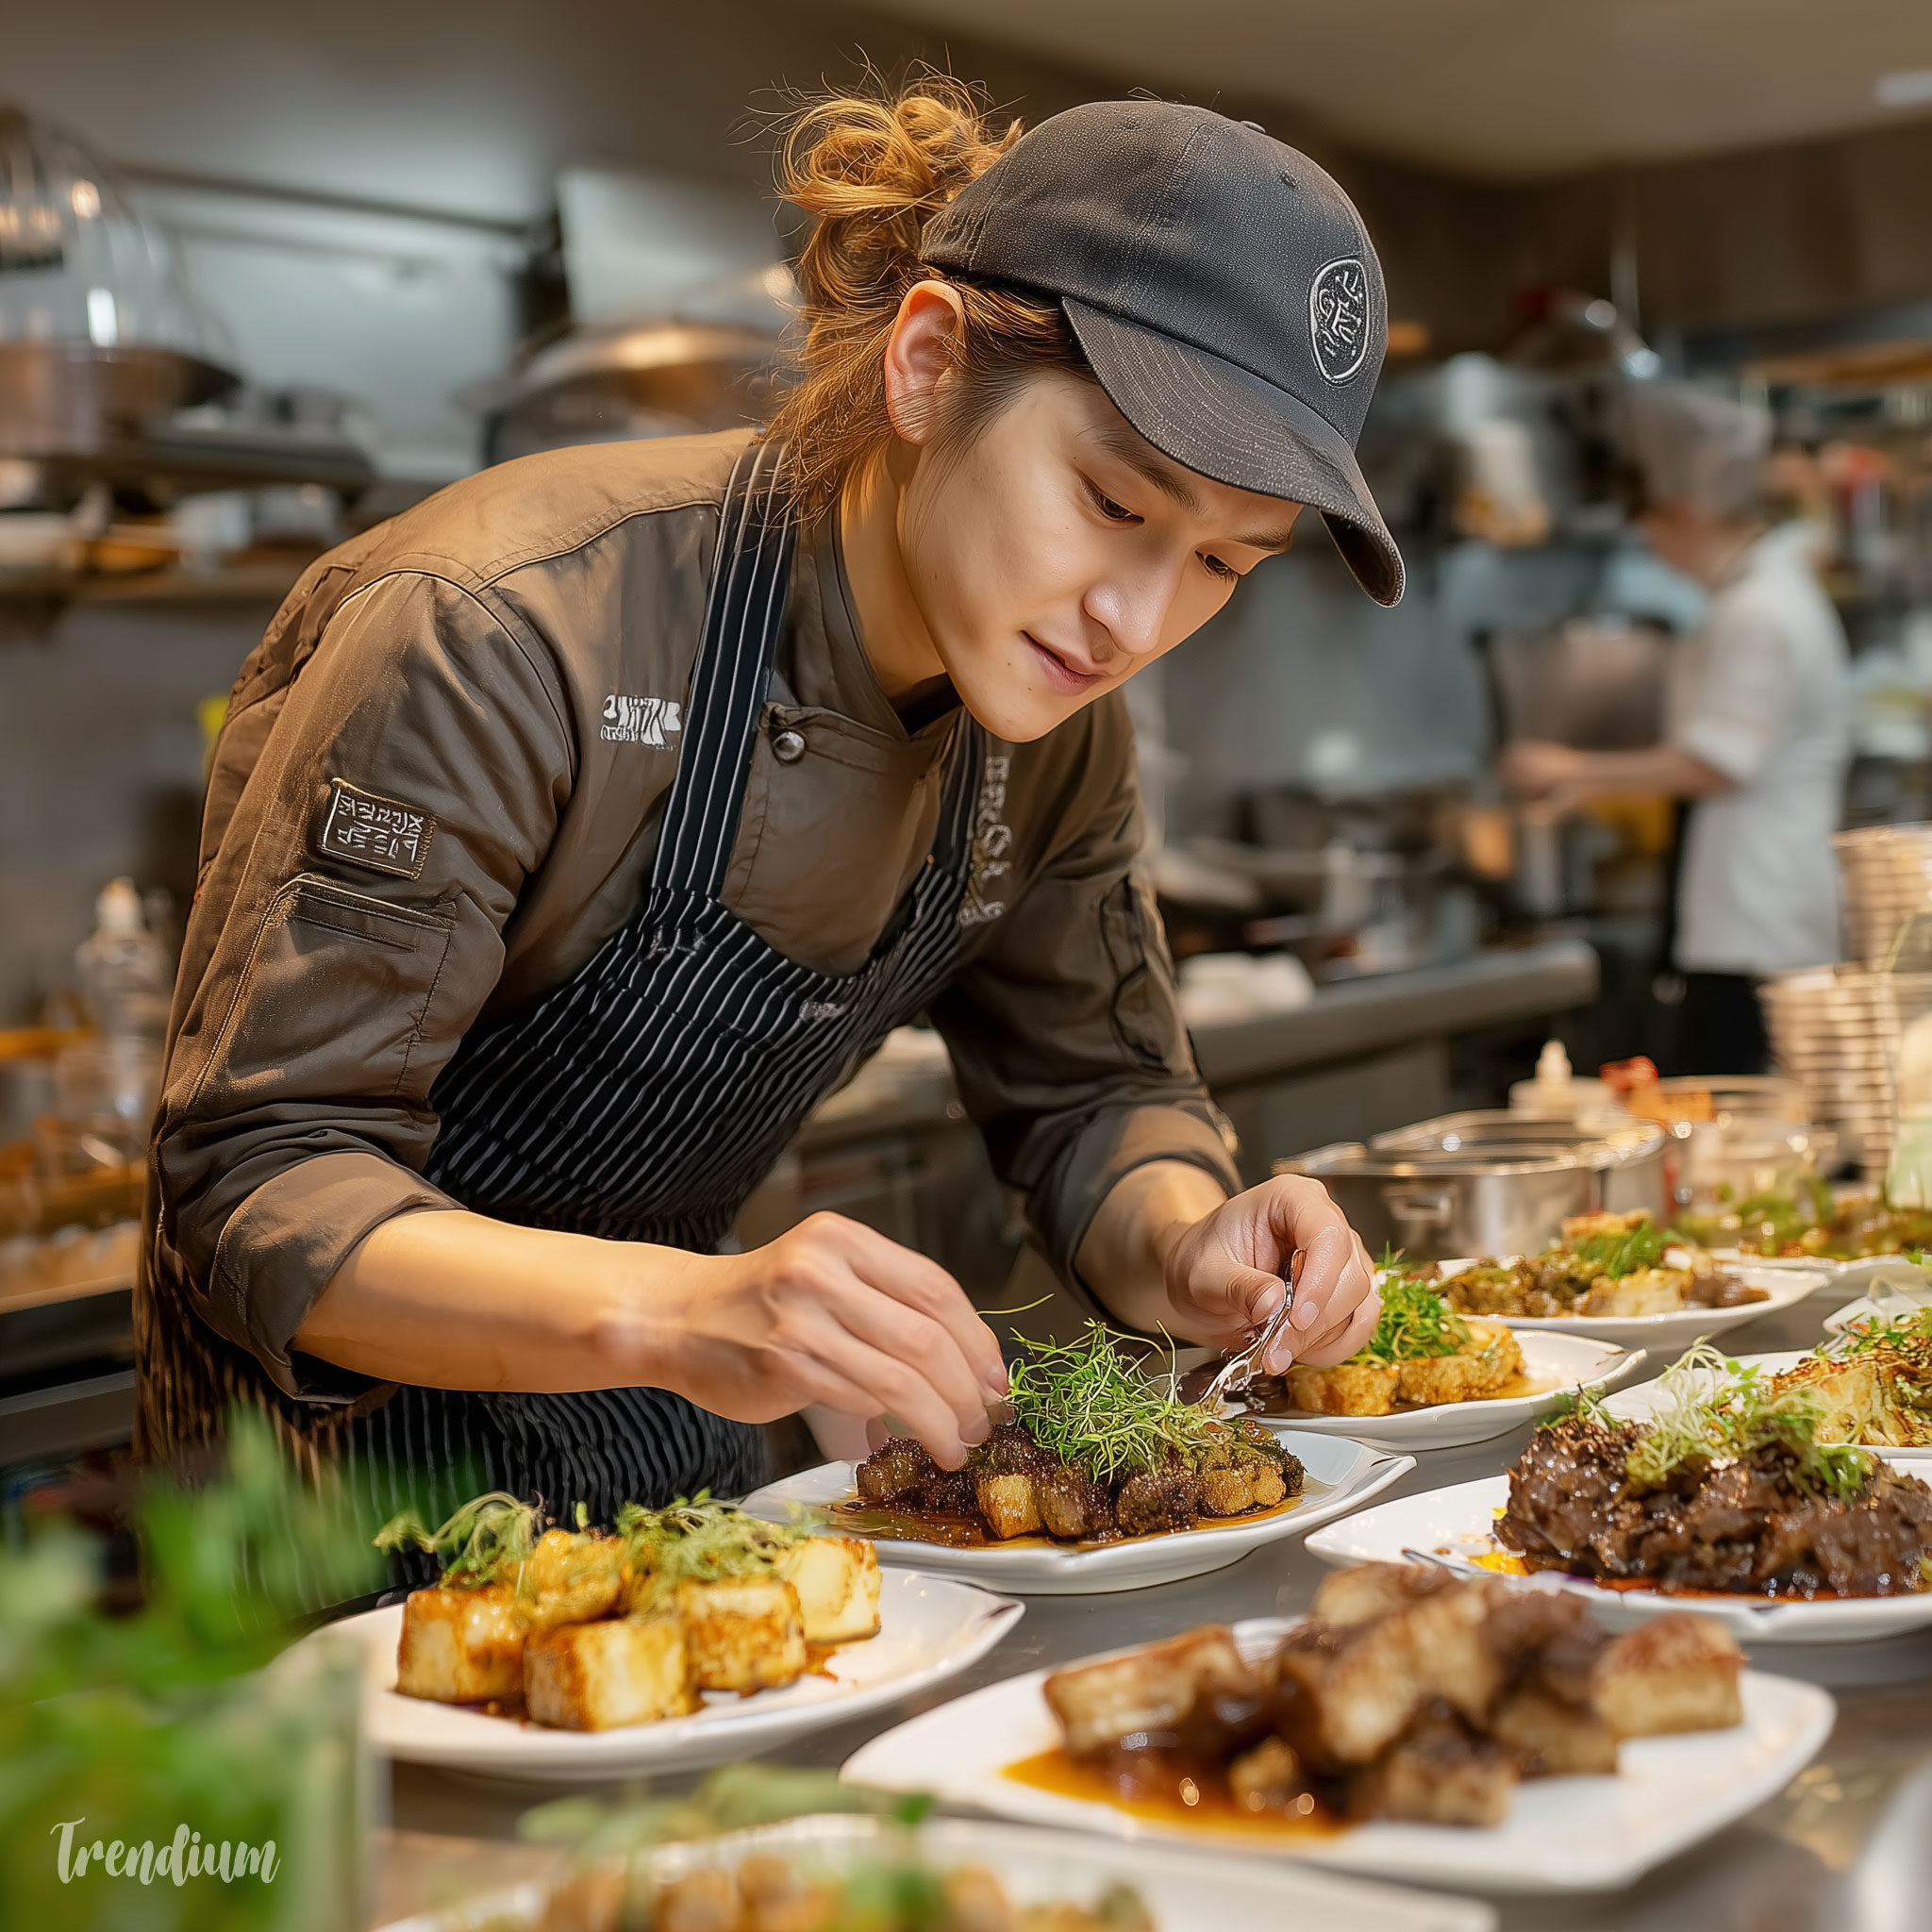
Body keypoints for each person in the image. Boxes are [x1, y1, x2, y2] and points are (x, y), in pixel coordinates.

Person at [139, 82, 1396, 1527]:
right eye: (1114, 503)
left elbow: (1097, 1094)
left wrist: (1190, 1243)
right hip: (318, 1518)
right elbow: (267, 1177)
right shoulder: (497, 629)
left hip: (682, 1483)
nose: (1134, 617)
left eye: (1223, 566)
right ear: (928, 364)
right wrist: (684, 1315)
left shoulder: (1053, 725)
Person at [1501, 382, 1850, 1075]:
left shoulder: (1757, 611)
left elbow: (1714, 762)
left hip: (1759, 920)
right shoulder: (1757, 594)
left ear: (1685, 513)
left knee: (1745, 1111)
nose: (1648, 543)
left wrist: (1569, 770)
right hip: (1755, 913)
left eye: (1649, 523)